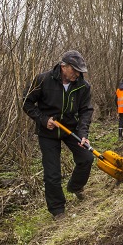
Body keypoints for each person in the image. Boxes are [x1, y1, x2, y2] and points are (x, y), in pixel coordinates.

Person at [23, 50, 94, 220]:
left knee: (86, 158)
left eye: (80, 71)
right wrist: (43, 119)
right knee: (52, 173)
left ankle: (75, 187)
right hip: (48, 131)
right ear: (63, 66)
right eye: (74, 70)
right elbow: (27, 102)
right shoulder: (43, 80)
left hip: (72, 129)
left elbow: (86, 111)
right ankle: (58, 210)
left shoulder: (83, 86)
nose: (77, 74)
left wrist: (83, 133)